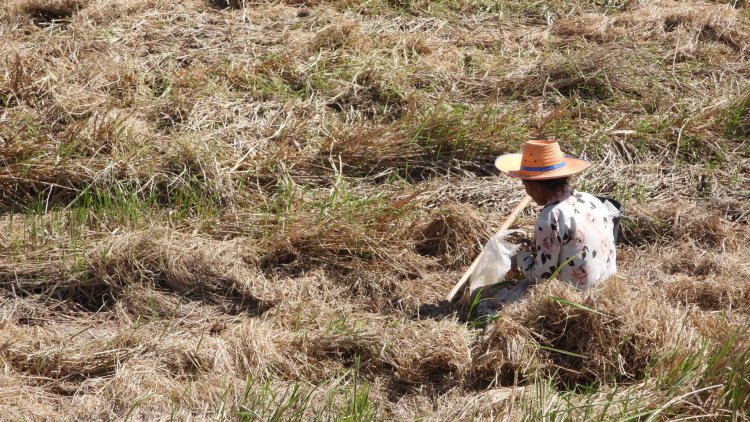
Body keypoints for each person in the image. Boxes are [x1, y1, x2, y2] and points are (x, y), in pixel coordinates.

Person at [475, 139, 618, 316]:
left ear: (535, 185)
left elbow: (542, 278)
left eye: (526, 185)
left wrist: (520, 259)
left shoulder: (551, 216)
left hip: (572, 303)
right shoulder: (593, 201)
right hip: (603, 292)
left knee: (482, 304)